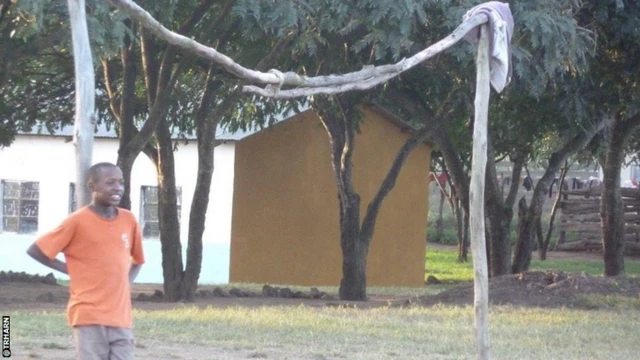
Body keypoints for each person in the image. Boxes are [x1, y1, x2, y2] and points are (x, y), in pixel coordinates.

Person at [26, 162, 145, 360]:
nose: (117, 188)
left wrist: (125, 282)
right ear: (92, 187)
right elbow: (36, 250)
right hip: (88, 313)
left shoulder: (129, 220)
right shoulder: (77, 221)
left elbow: (138, 260)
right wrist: (70, 269)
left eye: (121, 183)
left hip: (120, 316)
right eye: (110, 183)